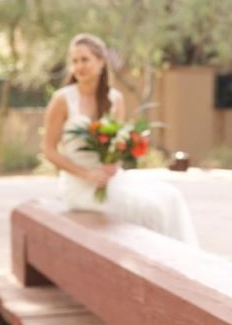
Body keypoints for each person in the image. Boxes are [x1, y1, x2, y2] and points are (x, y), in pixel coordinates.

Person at [42, 33, 198, 245]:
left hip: (112, 180)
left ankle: (182, 263)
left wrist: (112, 166)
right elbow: (49, 150)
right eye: (75, 60)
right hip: (79, 185)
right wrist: (87, 175)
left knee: (170, 197)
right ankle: (156, 266)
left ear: (101, 62)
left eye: (85, 59)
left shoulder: (115, 99)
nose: (79, 66)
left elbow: (117, 146)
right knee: (149, 209)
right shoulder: (62, 100)